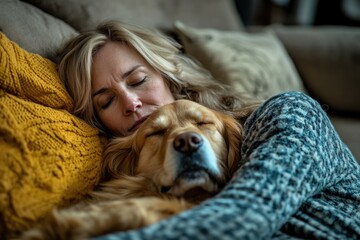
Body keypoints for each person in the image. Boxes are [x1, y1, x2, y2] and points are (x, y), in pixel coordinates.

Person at [58, 21, 360, 239]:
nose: (131, 102)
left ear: (170, 80)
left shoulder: (287, 112)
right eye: (107, 101)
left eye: (138, 81)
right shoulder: (134, 172)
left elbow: (245, 219)